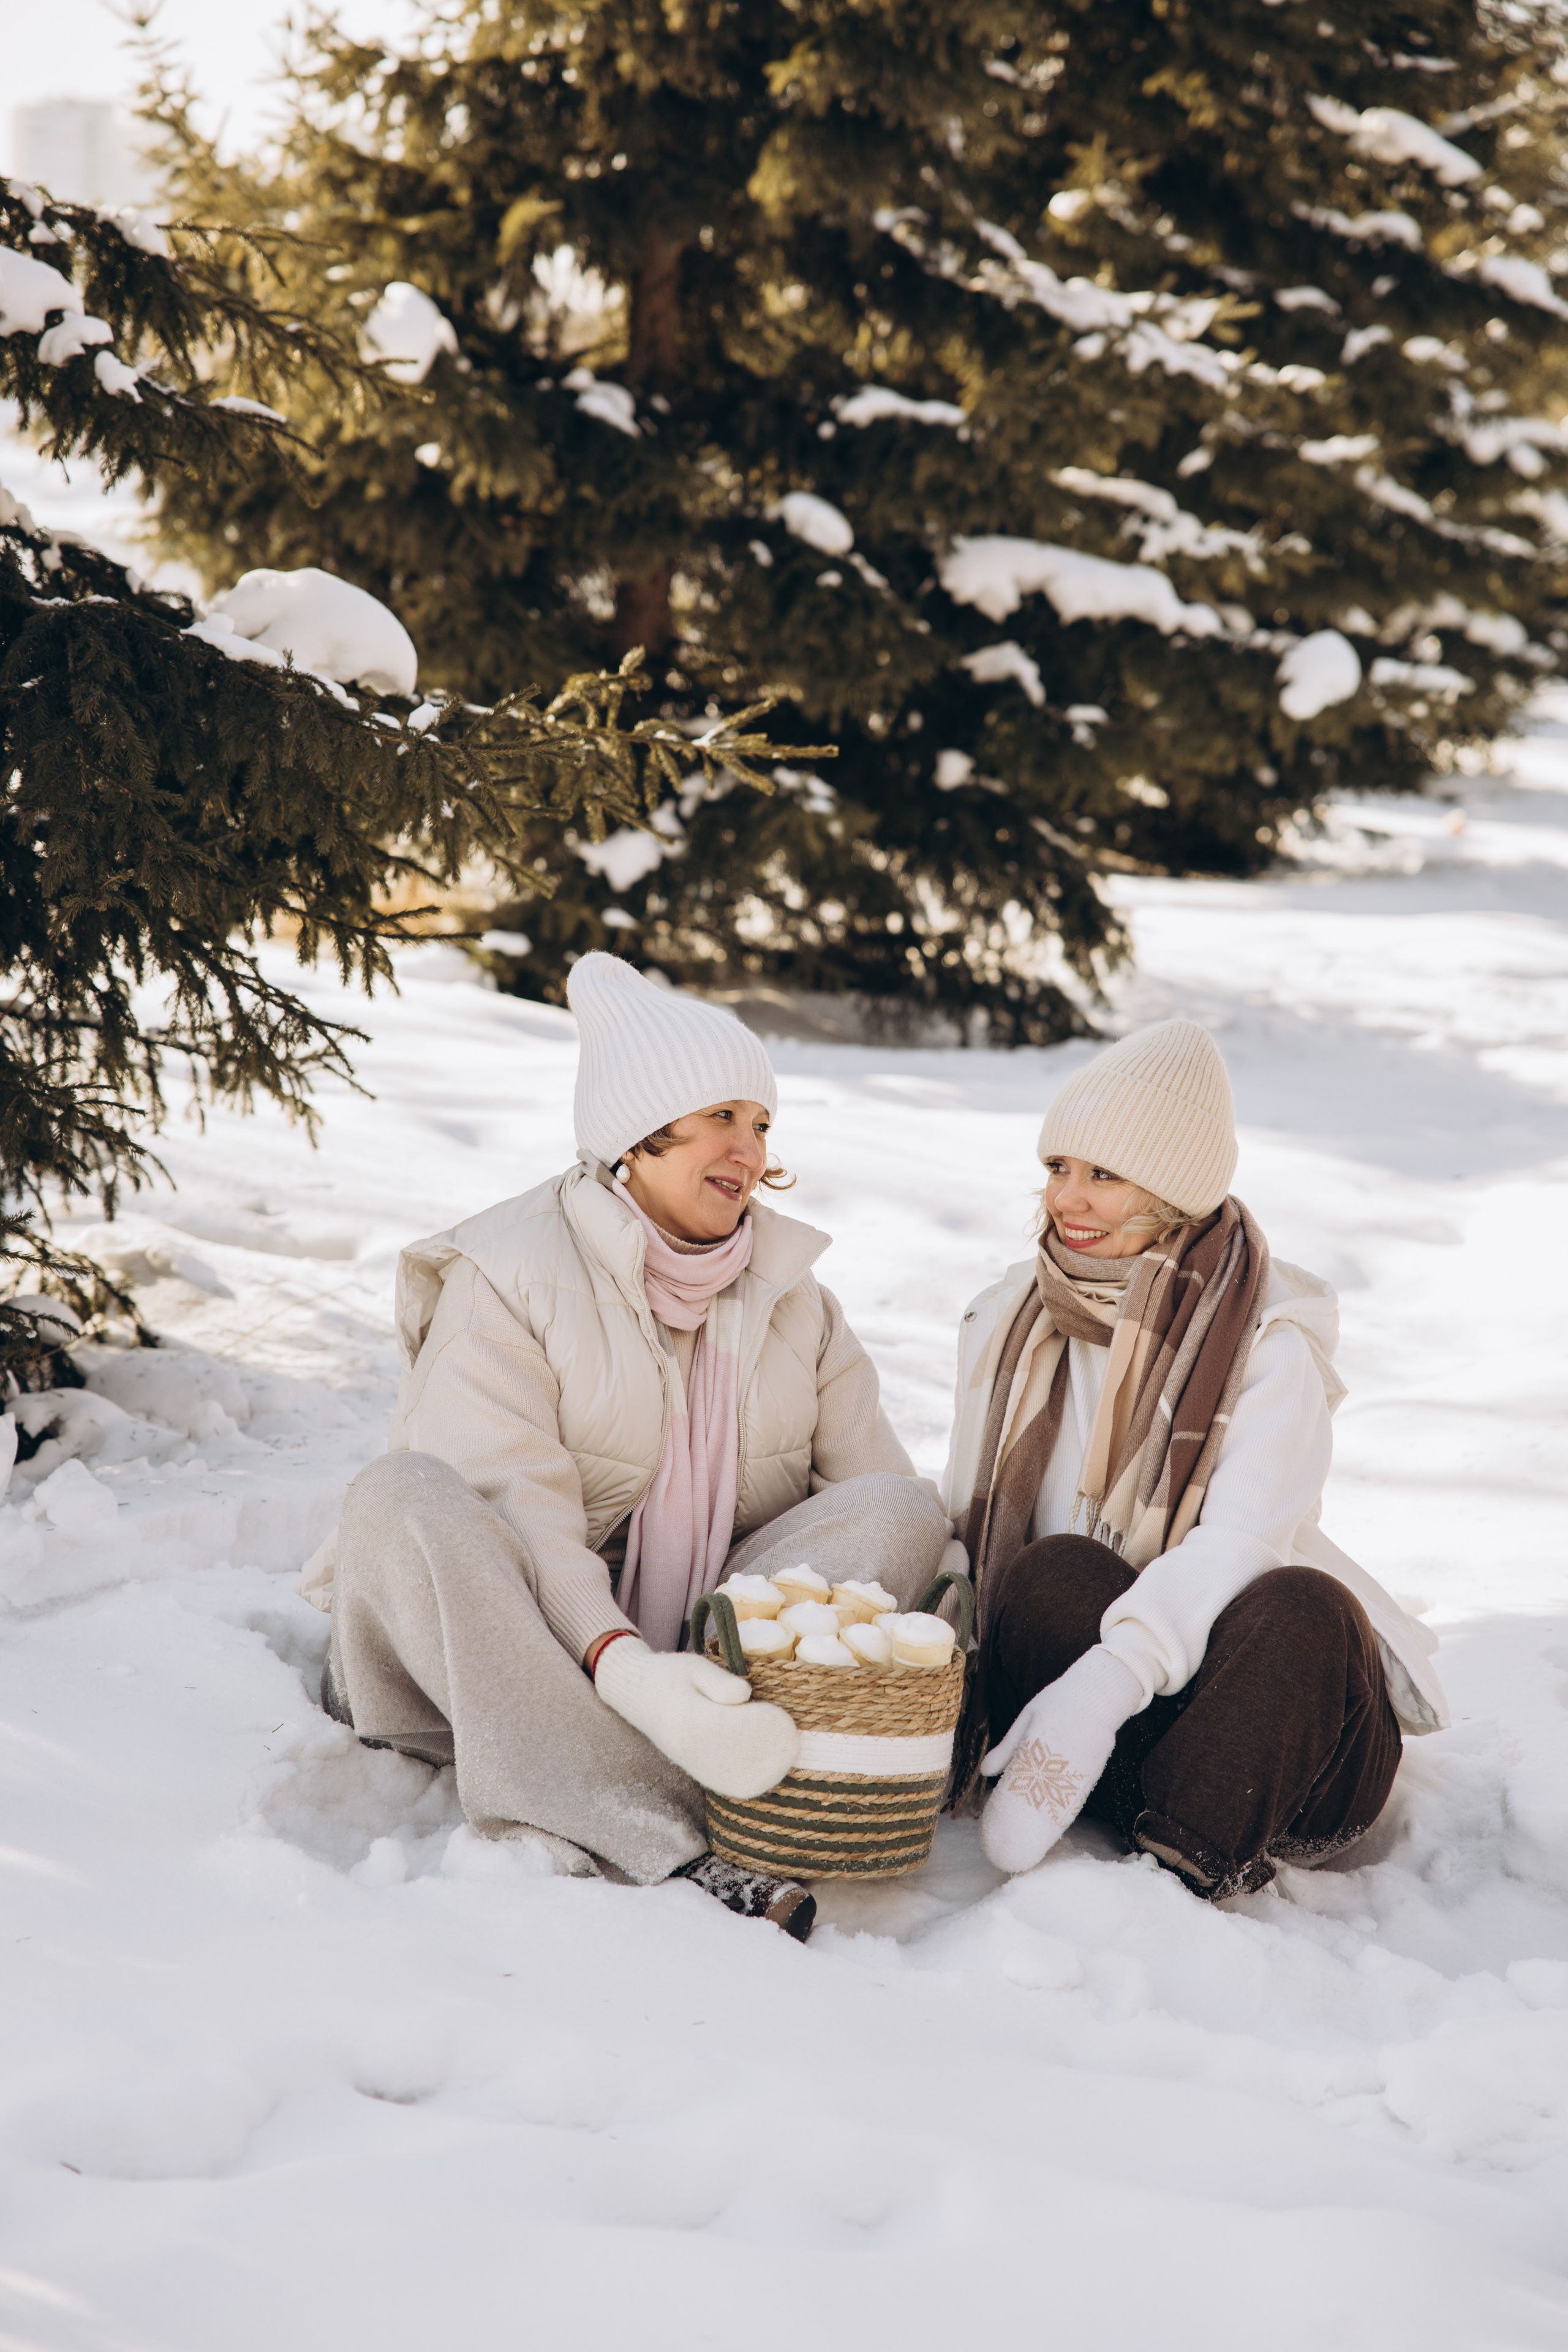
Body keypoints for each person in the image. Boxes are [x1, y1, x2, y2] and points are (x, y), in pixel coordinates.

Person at [300, 952, 951, 1939]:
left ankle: (676, 1751)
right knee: (404, 1495)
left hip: (698, 1662)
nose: (749, 1146)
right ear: (637, 1139)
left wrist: (924, 1662)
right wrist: (621, 1664)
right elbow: (519, 1508)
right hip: (499, 1652)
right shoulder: (509, 1273)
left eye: (762, 1123)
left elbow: (872, 1506)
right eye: (721, 1117)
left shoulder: (793, 1299)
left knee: (907, 1510)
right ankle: (678, 1829)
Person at [943, 1017, 1448, 1899]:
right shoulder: (1011, 1321)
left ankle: (1184, 1868)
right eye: (1058, 1169)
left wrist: (1106, 1682)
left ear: (1174, 1190)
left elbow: (1241, 1542)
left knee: (1304, 1604)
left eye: (1104, 1174)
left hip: (1283, 1735)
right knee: (1052, 1571)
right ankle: (1139, 1801)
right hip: (1127, 1737)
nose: (1069, 1200)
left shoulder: (1267, 1344)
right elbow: (969, 1513)